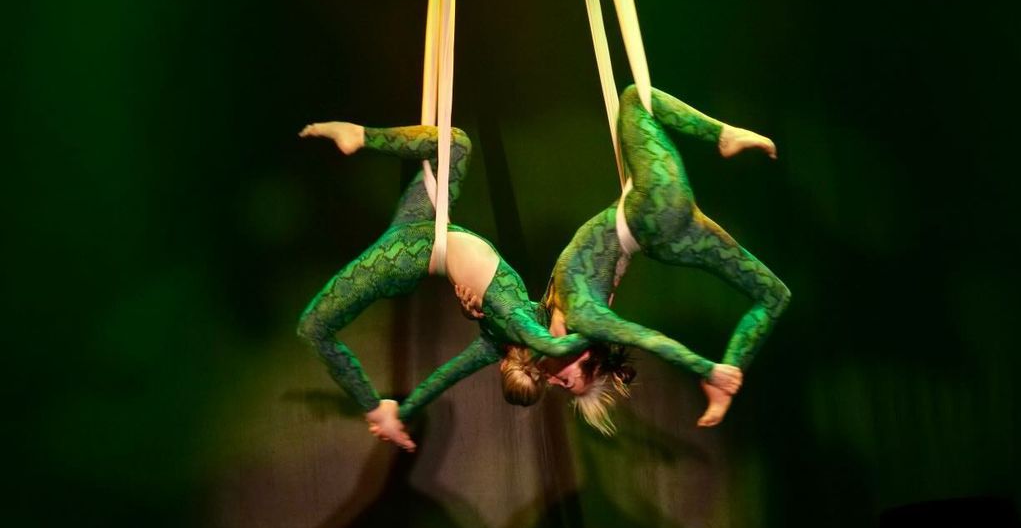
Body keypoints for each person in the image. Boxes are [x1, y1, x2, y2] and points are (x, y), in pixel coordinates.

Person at [296, 121, 588, 451]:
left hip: (406, 256)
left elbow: (443, 377)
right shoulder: (533, 319)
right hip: (424, 223)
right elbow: (440, 381)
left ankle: (374, 407)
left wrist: (383, 412)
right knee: (456, 143)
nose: (555, 379)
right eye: (566, 381)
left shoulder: (513, 328)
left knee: (314, 327)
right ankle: (359, 135)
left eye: (559, 384)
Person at [535, 85, 791, 434]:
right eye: (568, 383)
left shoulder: (544, 311)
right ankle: (723, 135)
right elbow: (648, 338)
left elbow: (503, 336)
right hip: (654, 210)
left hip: (662, 234)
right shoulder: (584, 317)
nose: (553, 382)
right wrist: (706, 368)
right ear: (585, 359)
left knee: (774, 295)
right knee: (635, 99)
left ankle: (723, 382)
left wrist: (472, 304)